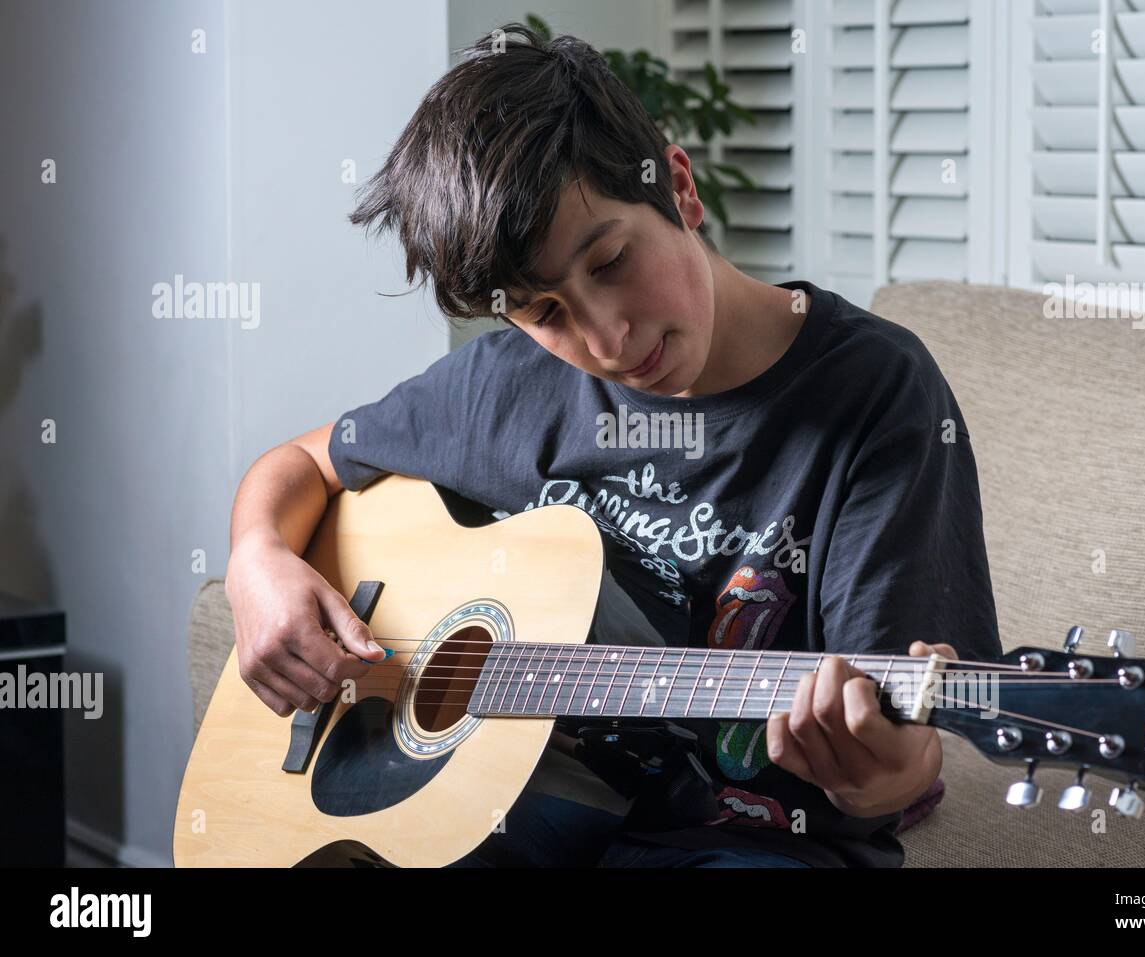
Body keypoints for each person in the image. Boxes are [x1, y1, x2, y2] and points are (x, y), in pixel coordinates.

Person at [223, 23, 1001, 868]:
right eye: (544, 311)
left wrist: (878, 776)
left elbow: (907, 740)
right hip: (514, 816)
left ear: (678, 189)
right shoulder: (504, 385)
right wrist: (255, 559)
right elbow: (301, 463)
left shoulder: (877, 394)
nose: (606, 338)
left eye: (611, 260)